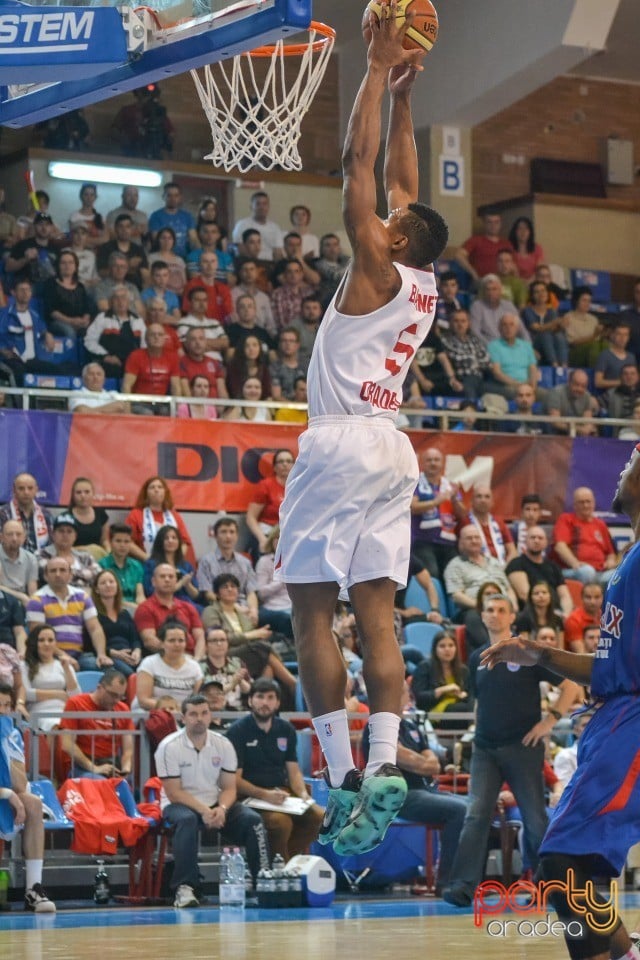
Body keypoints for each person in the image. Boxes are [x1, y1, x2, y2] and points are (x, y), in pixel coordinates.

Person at [274, 8, 450, 857]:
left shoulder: (379, 263)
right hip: (392, 447)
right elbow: (407, 186)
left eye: (388, 220)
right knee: (377, 614)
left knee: (312, 609)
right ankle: (385, 760)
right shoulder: (422, 280)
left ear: (398, 240)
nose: (378, 217)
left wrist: (378, 69)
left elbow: (359, 164)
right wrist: (411, 100)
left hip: (341, 439)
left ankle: (344, 775)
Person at [478, 443, 640, 960]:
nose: (623, 471)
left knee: (564, 864)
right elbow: (613, 667)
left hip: (632, 727)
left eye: (633, 465)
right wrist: (537, 652)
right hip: (615, 721)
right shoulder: (629, 560)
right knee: (574, 874)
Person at [442, 593, 580, 908]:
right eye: (489, 610)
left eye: (501, 610)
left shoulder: (526, 652)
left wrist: (550, 722)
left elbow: (571, 684)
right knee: (475, 815)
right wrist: (476, 734)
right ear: (483, 615)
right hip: (485, 749)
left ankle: (554, 887)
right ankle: (462, 886)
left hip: (523, 747)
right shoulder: (477, 657)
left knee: (534, 819)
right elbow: (478, 703)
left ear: (511, 616)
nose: (494, 615)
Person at [154, 692, 270, 907]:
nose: (199, 718)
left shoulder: (223, 744)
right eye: (193, 714)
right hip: (178, 805)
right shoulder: (168, 746)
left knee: (252, 820)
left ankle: (262, 880)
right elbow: (173, 792)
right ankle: (185, 887)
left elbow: (229, 787)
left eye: (204, 713)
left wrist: (223, 809)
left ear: (210, 716)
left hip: (216, 803)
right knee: (187, 820)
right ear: (183, 718)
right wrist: (204, 811)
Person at [363, 680, 468, 893]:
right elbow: (411, 760)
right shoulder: (378, 728)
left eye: (403, 692)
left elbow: (433, 764)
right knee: (460, 810)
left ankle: (466, 879)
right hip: (397, 795)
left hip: (423, 791)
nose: (400, 697)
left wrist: (420, 763)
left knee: (474, 807)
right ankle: (446, 882)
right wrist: (421, 763)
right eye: (393, 692)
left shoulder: (411, 728)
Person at [226, 678, 323, 861]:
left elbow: (293, 770)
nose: (265, 702)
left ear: (277, 702)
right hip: (249, 796)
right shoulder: (237, 731)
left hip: (281, 793)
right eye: (260, 697)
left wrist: (303, 795)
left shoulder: (285, 729)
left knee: (320, 817)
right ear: (250, 701)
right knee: (280, 823)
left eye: (270, 698)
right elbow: (234, 780)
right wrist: (264, 794)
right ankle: (280, 870)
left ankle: (283, 863)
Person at [0, 681, 56, 912]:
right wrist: (8, 794)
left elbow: (20, 783)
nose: (3, 711)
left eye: (6, 705)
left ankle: (34, 888)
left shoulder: (11, 733)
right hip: (4, 795)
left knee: (33, 803)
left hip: (5, 795)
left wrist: (4, 742)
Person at [26, 557, 110, 670]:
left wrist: (101, 654)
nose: (58, 574)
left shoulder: (82, 596)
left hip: (79, 655)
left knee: (106, 668)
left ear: (70, 575)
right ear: (45, 576)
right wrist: (63, 656)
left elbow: (95, 628)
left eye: (62, 570)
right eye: (53, 571)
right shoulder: (36, 600)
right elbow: (38, 637)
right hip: (49, 656)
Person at [59, 668, 134, 779]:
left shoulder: (123, 709)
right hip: (82, 766)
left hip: (111, 765)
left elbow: (128, 749)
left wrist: (125, 769)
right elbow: (67, 744)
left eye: (121, 696)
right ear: (99, 688)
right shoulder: (76, 703)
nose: (116, 700)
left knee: (123, 785)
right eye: (113, 695)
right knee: (101, 783)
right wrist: (93, 768)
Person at [410, 447, 464, 580]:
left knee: (455, 577)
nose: (433, 463)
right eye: (429, 460)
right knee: (432, 575)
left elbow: (463, 514)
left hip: (448, 542)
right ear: (422, 463)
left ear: (442, 463)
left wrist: (455, 500)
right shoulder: (415, 483)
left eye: (436, 460)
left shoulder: (450, 486)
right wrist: (436, 502)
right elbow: (411, 507)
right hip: (423, 541)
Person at [134, 564, 204, 659]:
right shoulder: (145, 608)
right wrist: (180, 657)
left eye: (171, 576)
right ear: (153, 582)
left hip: (194, 659)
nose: (167, 580)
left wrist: (196, 659)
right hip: (164, 659)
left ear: (176, 581)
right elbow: (149, 641)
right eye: (162, 576)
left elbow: (200, 637)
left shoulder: (188, 607)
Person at [552, 486, 617, 586]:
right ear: (574, 505)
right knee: (587, 572)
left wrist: (610, 561)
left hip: (600, 572)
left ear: (594, 503)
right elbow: (560, 547)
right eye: (581, 502)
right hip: (574, 570)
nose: (585, 505)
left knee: (616, 575)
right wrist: (574, 563)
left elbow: (610, 553)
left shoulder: (600, 524)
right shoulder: (566, 519)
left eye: (588, 501)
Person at [20, 624, 80, 732]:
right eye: (41, 640)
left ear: (55, 643)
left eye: (50, 640)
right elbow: (27, 693)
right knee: (57, 725)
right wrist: (58, 694)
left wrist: (67, 669)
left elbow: (76, 696)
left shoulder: (63, 664)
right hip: (39, 711)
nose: (46, 644)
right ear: (35, 643)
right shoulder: (25, 665)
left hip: (63, 710)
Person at [135, 620, 203, 711]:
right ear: (162, 643)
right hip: (153, 713)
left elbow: (199, 700)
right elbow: (143, 700)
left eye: (181, 640)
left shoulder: (194, 667)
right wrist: (170, 709)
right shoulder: (149, 663)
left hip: (185, 715)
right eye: (171, 640)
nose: (177, 644)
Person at [197, 516, 258, 615]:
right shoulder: (206, 562)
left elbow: (251, 592)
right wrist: (234, 607)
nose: (228, 536)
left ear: (237, 536)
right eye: (224, 532)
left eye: (232, 532)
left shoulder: (245, 562)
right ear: (215, 536)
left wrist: (254, 611)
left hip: (244, 608)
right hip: (219, 608)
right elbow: (208, 594)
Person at [84, 283, 146, 380]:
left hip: (132, 363)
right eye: (116, 298)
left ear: (129, 302)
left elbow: (144, 346)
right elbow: (89, 341)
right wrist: (106, 356)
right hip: (108, 362)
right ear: (111, 301)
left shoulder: (138, 320)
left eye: (123, 298)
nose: (120, 302)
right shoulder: (102, 318)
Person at [125, 476, 193, 563]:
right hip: (144, 564)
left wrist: (174, 561)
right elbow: (127, 541)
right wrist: (148, 559)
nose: (156, 490)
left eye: (160, 487)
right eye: (152, 487)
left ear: (165, 492)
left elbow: (184, 543)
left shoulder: (174, 516)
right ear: (146, 493)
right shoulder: (136, 514)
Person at [506, 525, 572, 615]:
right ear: (526, 541)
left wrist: (565, 614)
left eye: (540, 538)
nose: (536, 541)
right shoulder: (516, 564)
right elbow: (525, 594)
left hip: (557, 614)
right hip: (532, 615)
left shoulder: (553, 566)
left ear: (546, 543)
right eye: (532, 537)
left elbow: (565, 596)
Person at [411, 631, 473, 722]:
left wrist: (463, 695)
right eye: (442, 646)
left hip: (458, 706)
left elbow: (470, 694)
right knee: (464, 709)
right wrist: (443, 690)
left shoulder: (463, 670)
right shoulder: (425, 667)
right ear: (435, 649)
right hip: (434, 710)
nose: (447, 649)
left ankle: (471, 729)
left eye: (451, 645)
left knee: (475, 707)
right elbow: (419, 697)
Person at [92, 569, 142, 677]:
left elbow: (135, 638)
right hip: (109, 656)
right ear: (96, 589)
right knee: (128, 673)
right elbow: (89, 645)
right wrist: (114, 653)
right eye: (103, 583)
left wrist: (137, 652)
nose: (108, 585)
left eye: (111, 582)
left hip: (130, 655)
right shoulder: (93, 614)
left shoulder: (124, 613)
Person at [121, 322, 181, 412]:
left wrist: (177, 411)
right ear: (146, 339)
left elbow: (176, 387)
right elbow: (126, 385)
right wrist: (127, 411)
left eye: (160, 335)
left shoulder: (173, 358)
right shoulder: (136, 356)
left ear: (165, 339)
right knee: (147, 413)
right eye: (153, 334)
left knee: (166, 413)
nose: (156, 337)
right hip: (139, 402)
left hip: (162, 403)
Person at [245, 450, 295, 556]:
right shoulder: (266, 485)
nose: (285, 464)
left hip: (291, 535)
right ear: (274, 467)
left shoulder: (298, 487)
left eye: (288, 461)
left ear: (294, 465)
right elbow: (251, 517)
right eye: (280, 461)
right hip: (268, 533)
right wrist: (262, 539)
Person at [38, 513, 100, 591]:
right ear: (53, 534)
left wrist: (67, 572)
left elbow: (98, 575)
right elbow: (53, 576)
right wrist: (85, 575)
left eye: (69, 531)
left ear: (75, 536)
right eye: (61, 531)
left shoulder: (85, 557)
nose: (65, 535)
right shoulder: (42, 554)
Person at [142, 525, 201, 607]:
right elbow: (150, 592)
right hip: (162, 604)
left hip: (187, 603)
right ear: (160, 542)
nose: (170, 541)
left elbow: (196, 596)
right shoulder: (151, 564)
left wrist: (187, 584)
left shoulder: (186, 565)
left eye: (174, 538)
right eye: (166, 538)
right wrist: (180, 584)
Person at [440, 308, 491, 401]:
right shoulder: (445, 340)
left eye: (463, 321)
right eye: (456, 321)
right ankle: (471, 412)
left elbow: (486, 360)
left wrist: (470, 360)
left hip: (479, 378)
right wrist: (473, 360)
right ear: (450, 323)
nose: (460, 325)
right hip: (460, 378)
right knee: (468, 386)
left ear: (468, 323)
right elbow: (457, 360)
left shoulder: (475, 340)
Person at [460, 483, 517, 565]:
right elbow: (462, 551)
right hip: (477, 567)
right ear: (471, 501)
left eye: (487, 497)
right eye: (479, 496)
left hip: (503, 567)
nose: (483, 500)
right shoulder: (465, 522)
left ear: (492, 502)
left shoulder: (499, 521)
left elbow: (512, 551)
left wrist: (506, 567)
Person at [41, 249, 93, 341]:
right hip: (58, 322)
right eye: (63, 263)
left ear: (75, 266)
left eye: (71, 262)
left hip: (78, 322)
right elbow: (51, 311)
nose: (67, 266)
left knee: (92, 331)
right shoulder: (51, 284)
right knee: (69, 331)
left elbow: (86, 309)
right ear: (58, 266)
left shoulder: (80, 286)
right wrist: (70, 321)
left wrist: (85, 320)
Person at [198, 625, 250, 710]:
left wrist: (241, 681)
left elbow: (249, 690)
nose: (219, 644)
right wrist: (232, 684)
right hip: (213, 712)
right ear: (206, 645)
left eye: (222, 640)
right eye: (214, 640)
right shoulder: (200, 666)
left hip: (238, 711)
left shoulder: (237, 662)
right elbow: (210, 694)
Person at [255, 526, 294, 640]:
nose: (280, 541)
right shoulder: (264, 562)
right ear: (272, 540)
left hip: (293, 605)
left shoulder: (295, 561)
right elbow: (261, 593)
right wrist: (281, 581)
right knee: (289, 619)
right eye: (277, 538)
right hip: (272, 607)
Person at [469, 274, 530, 345]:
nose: (491, 293)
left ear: (500, 290)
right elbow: (475, 331)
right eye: (487, 289)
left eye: (494, 289)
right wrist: (491, 347)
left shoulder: (508, 305)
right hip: (489, 345)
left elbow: (521, 329)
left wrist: (528, 347)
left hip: (510, 344)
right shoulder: (477, 306)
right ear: (484, 292)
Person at [0, 472, 53, 554]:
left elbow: (51, 545)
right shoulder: (3, 513)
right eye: (21, 488)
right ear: (14, 490)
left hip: (41, 561)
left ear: (36, 490)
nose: (26, 492)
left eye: (30, 488)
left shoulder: (46, 514)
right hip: (11, 561)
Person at [521, 280, 567, 367]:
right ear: (532, 296)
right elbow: (537, 328)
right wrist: (554, 322)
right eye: (537, 292)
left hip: (550, 344)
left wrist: (561, 326)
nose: (541, 294)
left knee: (559, 335)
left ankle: (564, 366)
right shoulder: (528, 310)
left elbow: (554, 330)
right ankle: (554, 365)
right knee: (545, 334)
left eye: (543, 290)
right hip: (533, 345)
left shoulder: (552, 311)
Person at [454, 210, 508, 284]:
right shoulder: (475, 240)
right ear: (484, 223)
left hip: (502, 284)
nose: (493, 225)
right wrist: (473, 273)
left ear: (500, 224)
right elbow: (459, 255)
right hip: (481, 283)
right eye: (489, 222)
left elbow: (513, 266)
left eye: (496, 222)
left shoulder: (506, 244)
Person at [98, 523, 145, 608]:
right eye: (118, 541)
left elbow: (140, 595)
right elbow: (106, 597)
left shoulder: (137, 565)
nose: (122, 545)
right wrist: (133, 607)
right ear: (111, 542)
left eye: (126, 542)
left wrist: (143, 607)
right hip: (112, 607)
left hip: (135, 607)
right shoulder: (102, 565)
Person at [148, 183, 197, 260]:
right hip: (162, 258)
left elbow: (194, 239)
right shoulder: (156, 216)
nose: (173, 198)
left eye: (176, 195)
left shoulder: (187, 216)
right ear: (163, 197)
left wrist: (199, 254)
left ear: (180, 197)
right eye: (169, 195)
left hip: (183, 258)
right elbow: (156, 239)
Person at [545, 368, 599, 437]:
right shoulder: (556, 393)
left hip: (577, 435)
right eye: (576, 384)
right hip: (555, 435)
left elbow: (587, 420)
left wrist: (588, 427)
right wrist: (578, 429)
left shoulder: (587, 396)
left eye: (583, 386)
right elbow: (555, 422)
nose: (579, 389)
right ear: (569, 382)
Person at [232, 191, 284, 261]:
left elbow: (278, 252)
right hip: (249, 263)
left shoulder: (275, 227)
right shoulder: (242, 225)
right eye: (258, 204)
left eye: (265, 204)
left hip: (270, 265)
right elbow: (241, 250)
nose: (261, 207)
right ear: (251, 207)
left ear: (268, 207)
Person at [67, 476, 110, 558]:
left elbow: (105, 541)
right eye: (79, 492)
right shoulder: (66, 517)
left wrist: (109, 553)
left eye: (87, 492)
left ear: (93, 493)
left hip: (98, 560)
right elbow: (62, 547)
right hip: (74, 559)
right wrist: (87, 549)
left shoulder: (101, 514)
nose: (83, 495)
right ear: (73, 495)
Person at [0, 519, 38, 605]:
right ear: (1, 537)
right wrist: (21, 596)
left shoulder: (31, 558)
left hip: (22, 604)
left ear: (24, 538)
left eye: (18, 534)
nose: (14, 538)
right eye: (10, 534)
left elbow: (32, 592)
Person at [593, 322, 636, 393]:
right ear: (612, 335)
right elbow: (598, 382)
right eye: (619, 334)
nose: (622, 338)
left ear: (628, 337)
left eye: (625, 335)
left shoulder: (631, 357)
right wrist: (621, 383)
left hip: (630, 395)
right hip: (612, 396)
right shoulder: (605, 355)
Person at [563, 581, 604, 653]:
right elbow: (581, 654)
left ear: (603, 598)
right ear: (581, 598)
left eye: (597, 597)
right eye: (588, 597)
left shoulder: (607, 616)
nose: (592, 602)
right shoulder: (573, 620)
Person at [148, 226, 187, 295]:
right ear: (158, 240)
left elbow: (184, 281)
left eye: (170, 238)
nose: (167, 241)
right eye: (163, 238)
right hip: (160, 295)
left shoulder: (179, 260)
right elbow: (149, 279)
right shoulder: (151, 258)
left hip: (180, 295)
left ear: (173, 241)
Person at [507, 215, 545, 281]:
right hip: (515, 282)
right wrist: (522, 283)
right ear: (515, 232)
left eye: (526, 228)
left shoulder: (537, 248)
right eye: (520, 228)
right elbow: (511, 271)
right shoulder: (509, 249)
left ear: (530, 232)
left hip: (534, 283)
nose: (523, 231)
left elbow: (540, 270)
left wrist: (529, 282)